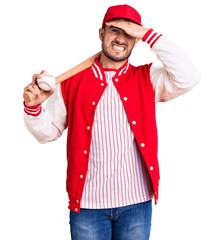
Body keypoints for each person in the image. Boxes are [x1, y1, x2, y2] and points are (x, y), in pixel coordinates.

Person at [23, 4, 200, 240]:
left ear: (137, 41)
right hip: (87, 205)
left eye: (129, 33)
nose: (121, 38)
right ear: (101, 34)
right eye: (115, 30)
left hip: (136, 204)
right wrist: (33, 107)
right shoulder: (70, 83)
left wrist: (148, 34)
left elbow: (189, 77)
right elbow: (48, 133)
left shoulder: (147, 78)